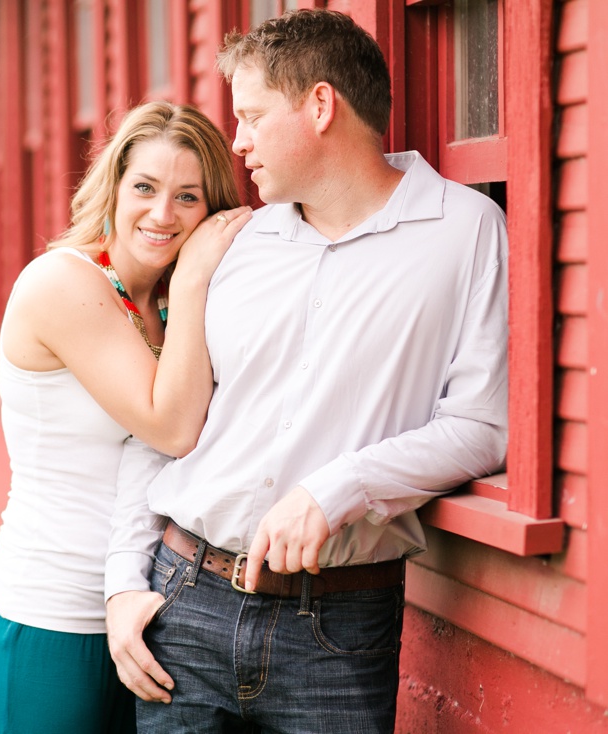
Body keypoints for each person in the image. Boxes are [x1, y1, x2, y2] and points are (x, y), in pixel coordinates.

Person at [105, 9, 509, 733]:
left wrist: (340, 487)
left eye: (254, 116)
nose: (239, 141)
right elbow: (163, 427)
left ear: (320, 106)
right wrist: (120, 587)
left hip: (338, 629)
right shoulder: (231, 244)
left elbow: (481, 424)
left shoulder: (464, 231)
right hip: (184, 603)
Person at [0, 100, 251, 733]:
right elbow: (172, 427)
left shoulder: (170, 306)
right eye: (145, 187)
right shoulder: (63, 283)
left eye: (188, 197)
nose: (161, 213)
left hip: (148, 621)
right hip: (46, 618)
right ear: (114, 186)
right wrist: (199, 274)